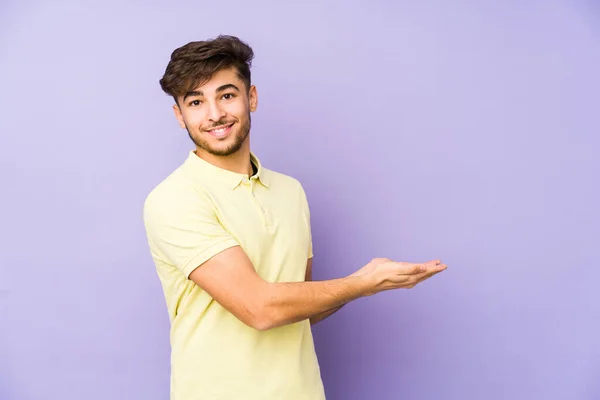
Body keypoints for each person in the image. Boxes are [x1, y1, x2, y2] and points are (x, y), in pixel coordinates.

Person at [143, 35, 447, 400]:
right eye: (196, 102)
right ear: (179, 116)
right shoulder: (175, 198)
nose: (214, 114)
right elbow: (259, 308)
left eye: (226, 95)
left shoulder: (290, 192)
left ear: (251, 97)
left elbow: (301, 305)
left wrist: (374, 283)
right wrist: (363, 282)